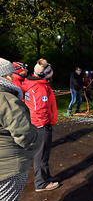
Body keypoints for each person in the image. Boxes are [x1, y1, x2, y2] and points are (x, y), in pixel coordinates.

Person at [0, 58, 39, 201]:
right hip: (9, 165)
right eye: (10, 74)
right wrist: (35, 144)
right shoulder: (5, 99)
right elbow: (24, 132)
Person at [22, 58, 59, 192]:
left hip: (34, 124)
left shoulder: (31, 83)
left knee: (41, 154)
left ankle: (44, 177)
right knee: (41, 155)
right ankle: (41, 183)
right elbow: (40, 109)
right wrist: (45, 125)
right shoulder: (40, 87)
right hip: (40, 126)